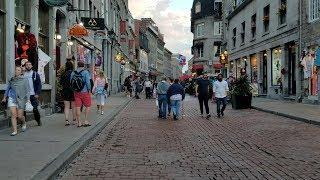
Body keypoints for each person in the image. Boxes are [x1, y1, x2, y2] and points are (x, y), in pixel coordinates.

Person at [2, 66, 30, 136]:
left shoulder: (25, 80)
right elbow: (8, 89)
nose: (16, 71)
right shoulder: (11, 79)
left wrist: (28, 99)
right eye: (16, 70)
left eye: (18, 70)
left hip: (21, 99)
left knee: (20, 116)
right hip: (12, 98)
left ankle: (23, 122)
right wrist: (5, 97)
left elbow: (28, 90)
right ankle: (15, 130)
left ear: (21, 72)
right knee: (13, 115)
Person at [70, 61, 92, 127]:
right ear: (83, 66)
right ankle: (85, 121)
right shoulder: (86, 72)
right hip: (85, 92)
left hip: (76, 92)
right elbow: (88, 82)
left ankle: (79, 122)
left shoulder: (73, 72)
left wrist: (74, 89)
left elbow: (71, 82)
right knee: (88, 106)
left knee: (78, 107)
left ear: (77, 66)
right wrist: (89, 90)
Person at [24, 61, 42, 126]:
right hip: (25, 95)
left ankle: (38, 120)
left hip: (33, 94)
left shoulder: (35, 74)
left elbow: (39, 84)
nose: (28, 66)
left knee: (35, 109)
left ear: (31, 66)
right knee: (23, 109)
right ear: (25, 66)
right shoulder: (23, 74)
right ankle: (23, 123)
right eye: (27, 65)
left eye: (29, 64)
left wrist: (37, 93)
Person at [60, 60, 76, 126]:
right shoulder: (74, 73)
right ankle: (74, 120)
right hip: (73, 91)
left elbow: (61, 83)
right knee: (73, 106)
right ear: (72, 66)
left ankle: (66, 120)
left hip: (65, 91)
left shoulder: (63, 74)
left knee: (66, 106)